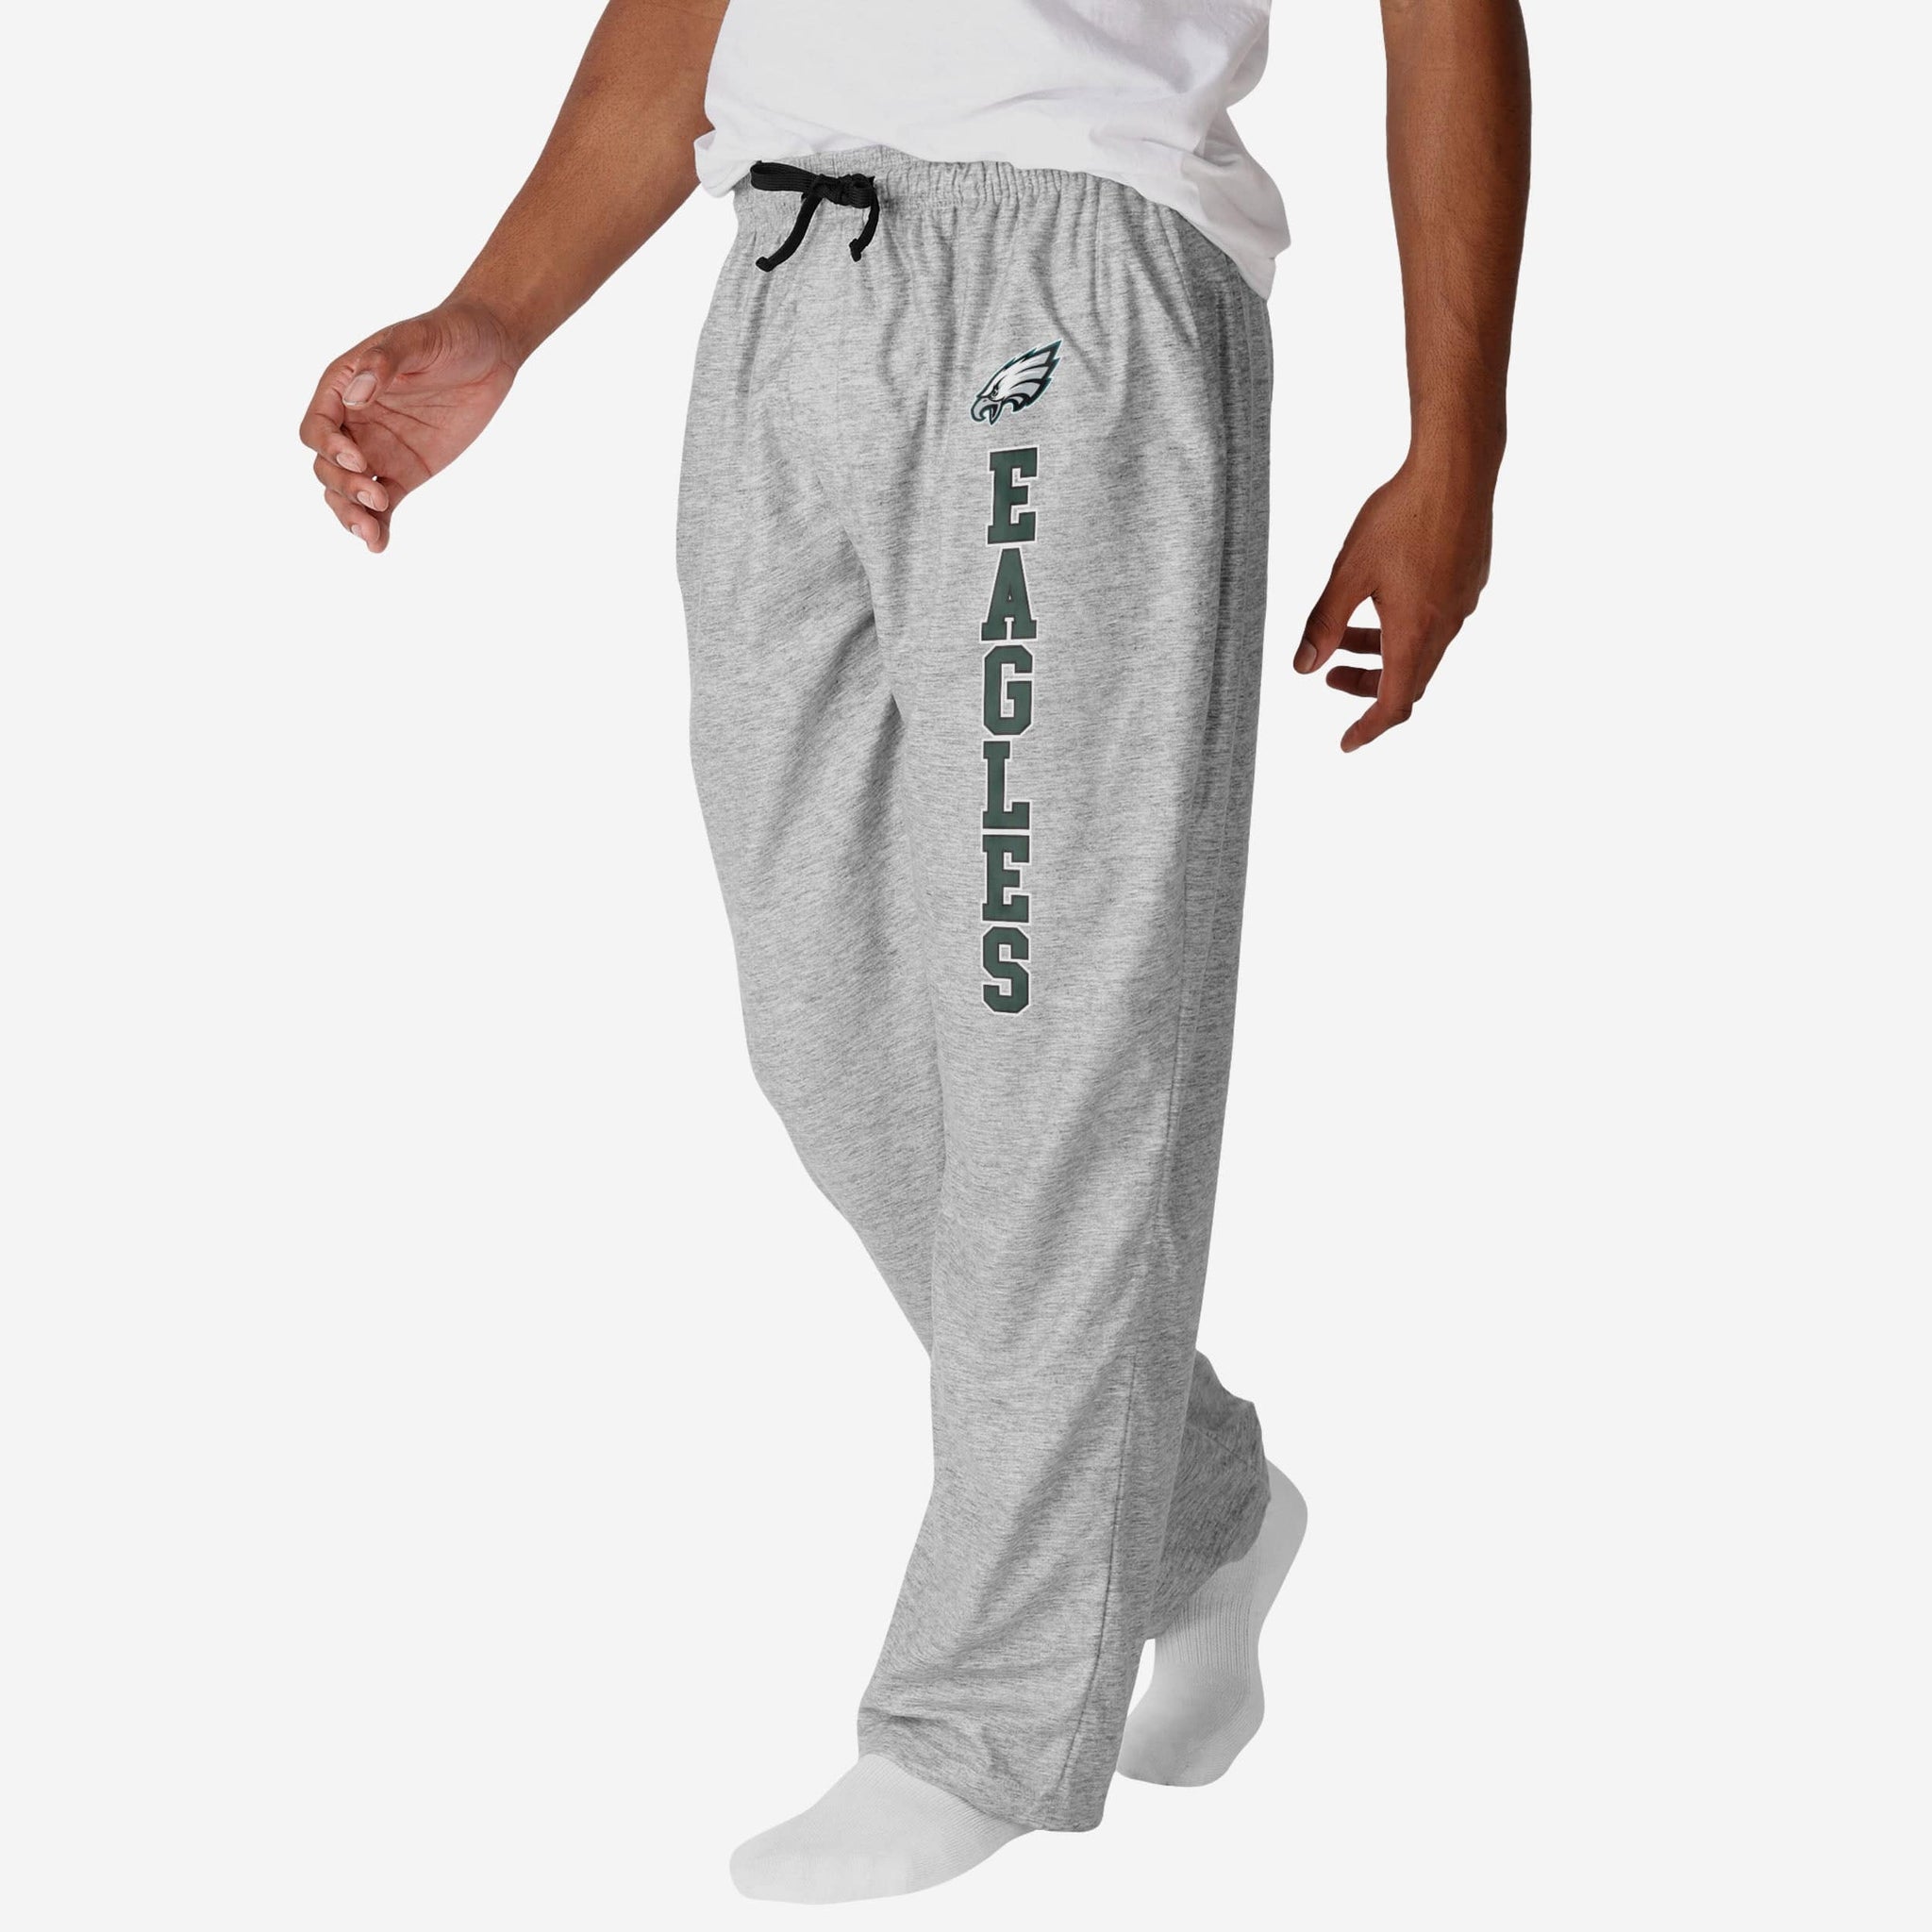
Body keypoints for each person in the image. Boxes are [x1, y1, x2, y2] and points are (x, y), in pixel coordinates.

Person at [299, 0, 1530, 1904]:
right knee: (837, 1039)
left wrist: (1455, 449)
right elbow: (686, 23)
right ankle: (1196, 1508)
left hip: (1074, 277)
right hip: (783, 286)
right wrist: (497, 314)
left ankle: (981, 1722)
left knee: (1054, 1043)